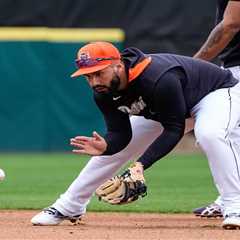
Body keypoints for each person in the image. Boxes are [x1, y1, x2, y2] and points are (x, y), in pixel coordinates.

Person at [31, 41, 240, 229]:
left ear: (118, 65)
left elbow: (174, 129)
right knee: (106, 155)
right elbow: (119, 133)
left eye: (99, 73)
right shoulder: (103, 92)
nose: (94, 82)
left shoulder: (157, 77)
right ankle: (69, 206)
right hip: (169, 108)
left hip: (215, 93)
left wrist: (140, 165)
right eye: (88, 76)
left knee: (210, 134)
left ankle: (235, 206)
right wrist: (107, 147)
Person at [192, 0, 240, 218]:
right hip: (231, 67)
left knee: (226, 134)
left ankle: (232, 202)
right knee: (232, 135)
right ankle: (229, 199)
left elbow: (231, 24)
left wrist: (192, 66)